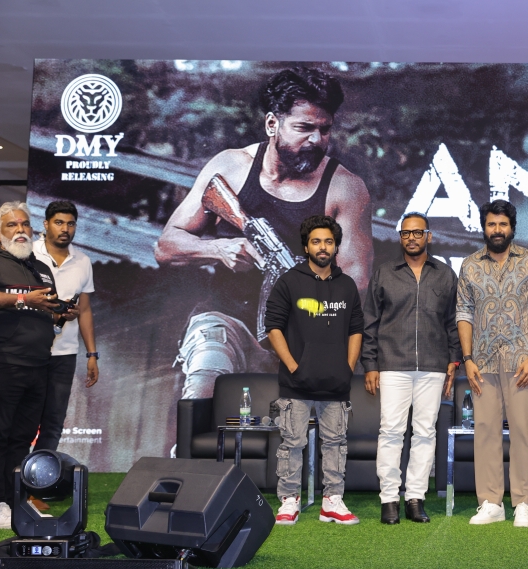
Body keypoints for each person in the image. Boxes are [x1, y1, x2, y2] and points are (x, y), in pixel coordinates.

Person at [155, 66, 373, 400]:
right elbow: (167, 246)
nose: (316, 140)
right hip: (226, 317)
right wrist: (221, 249)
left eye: (324, 130)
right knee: (204, 378)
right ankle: (186, 450)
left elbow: (356, 282)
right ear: (272, 123)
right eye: (304, 128)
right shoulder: (230, 168)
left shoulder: (345, 189)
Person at [456, 200, 528, 527]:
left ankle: (523, 503)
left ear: (512, 227)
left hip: (521, 362)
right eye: (491, 225)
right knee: (485, 431)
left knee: (524, 431)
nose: (497, 230)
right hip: (481, 362)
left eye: (503, 225)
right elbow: (464, 314)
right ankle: (490, 502)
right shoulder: (469, 266)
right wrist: (467, 359)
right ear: (483, 227)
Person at [264, 214, 364, 526]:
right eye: (317, 241)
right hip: (296, 384)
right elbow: (273, 328)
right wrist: (294, 366)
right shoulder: (289, 281)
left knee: (335, 442)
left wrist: (347, 367)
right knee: (293, 442)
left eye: (329, 242)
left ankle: (332, 501)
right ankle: (289, 499)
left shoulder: (347, 286)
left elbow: (356, 330)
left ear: (336, 247)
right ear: (306, 246)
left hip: (336, 383)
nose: (323, 247)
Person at [362, 212, 461, 524]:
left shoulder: (445, 275)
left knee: (424, 433)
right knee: (391, 431)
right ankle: (389, 498)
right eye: (406, 233)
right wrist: (370, 364)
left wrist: (453, 362)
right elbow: (370, 323)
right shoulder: (385, 273)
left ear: (428, 236)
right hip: (392, 364)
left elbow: (453, 323)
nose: (412, 238)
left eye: (418, 233)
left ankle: (415, 497)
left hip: (433, 365)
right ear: (400, 237)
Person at [0, 201, 74, 529]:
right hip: (4, 361)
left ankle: (15, 501)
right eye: (11, 225)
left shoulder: (41, 266)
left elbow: (49, 310)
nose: (20, 230)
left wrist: (60, 313)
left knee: (23, 438)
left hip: (39, 364)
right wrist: (23, 299)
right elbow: (22, 301)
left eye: (24, 225)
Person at [32, 201, 100, 452]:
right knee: (22, 420)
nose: (65, 229)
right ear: (46, 224)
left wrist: (92, 355)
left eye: (70, 224)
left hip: (64, 355)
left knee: (53, 422)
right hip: (27, 352)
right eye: (59, 222)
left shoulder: (82, 261)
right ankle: (10, 482)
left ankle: (37, 485)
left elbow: (85, 310)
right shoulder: (27, 254)